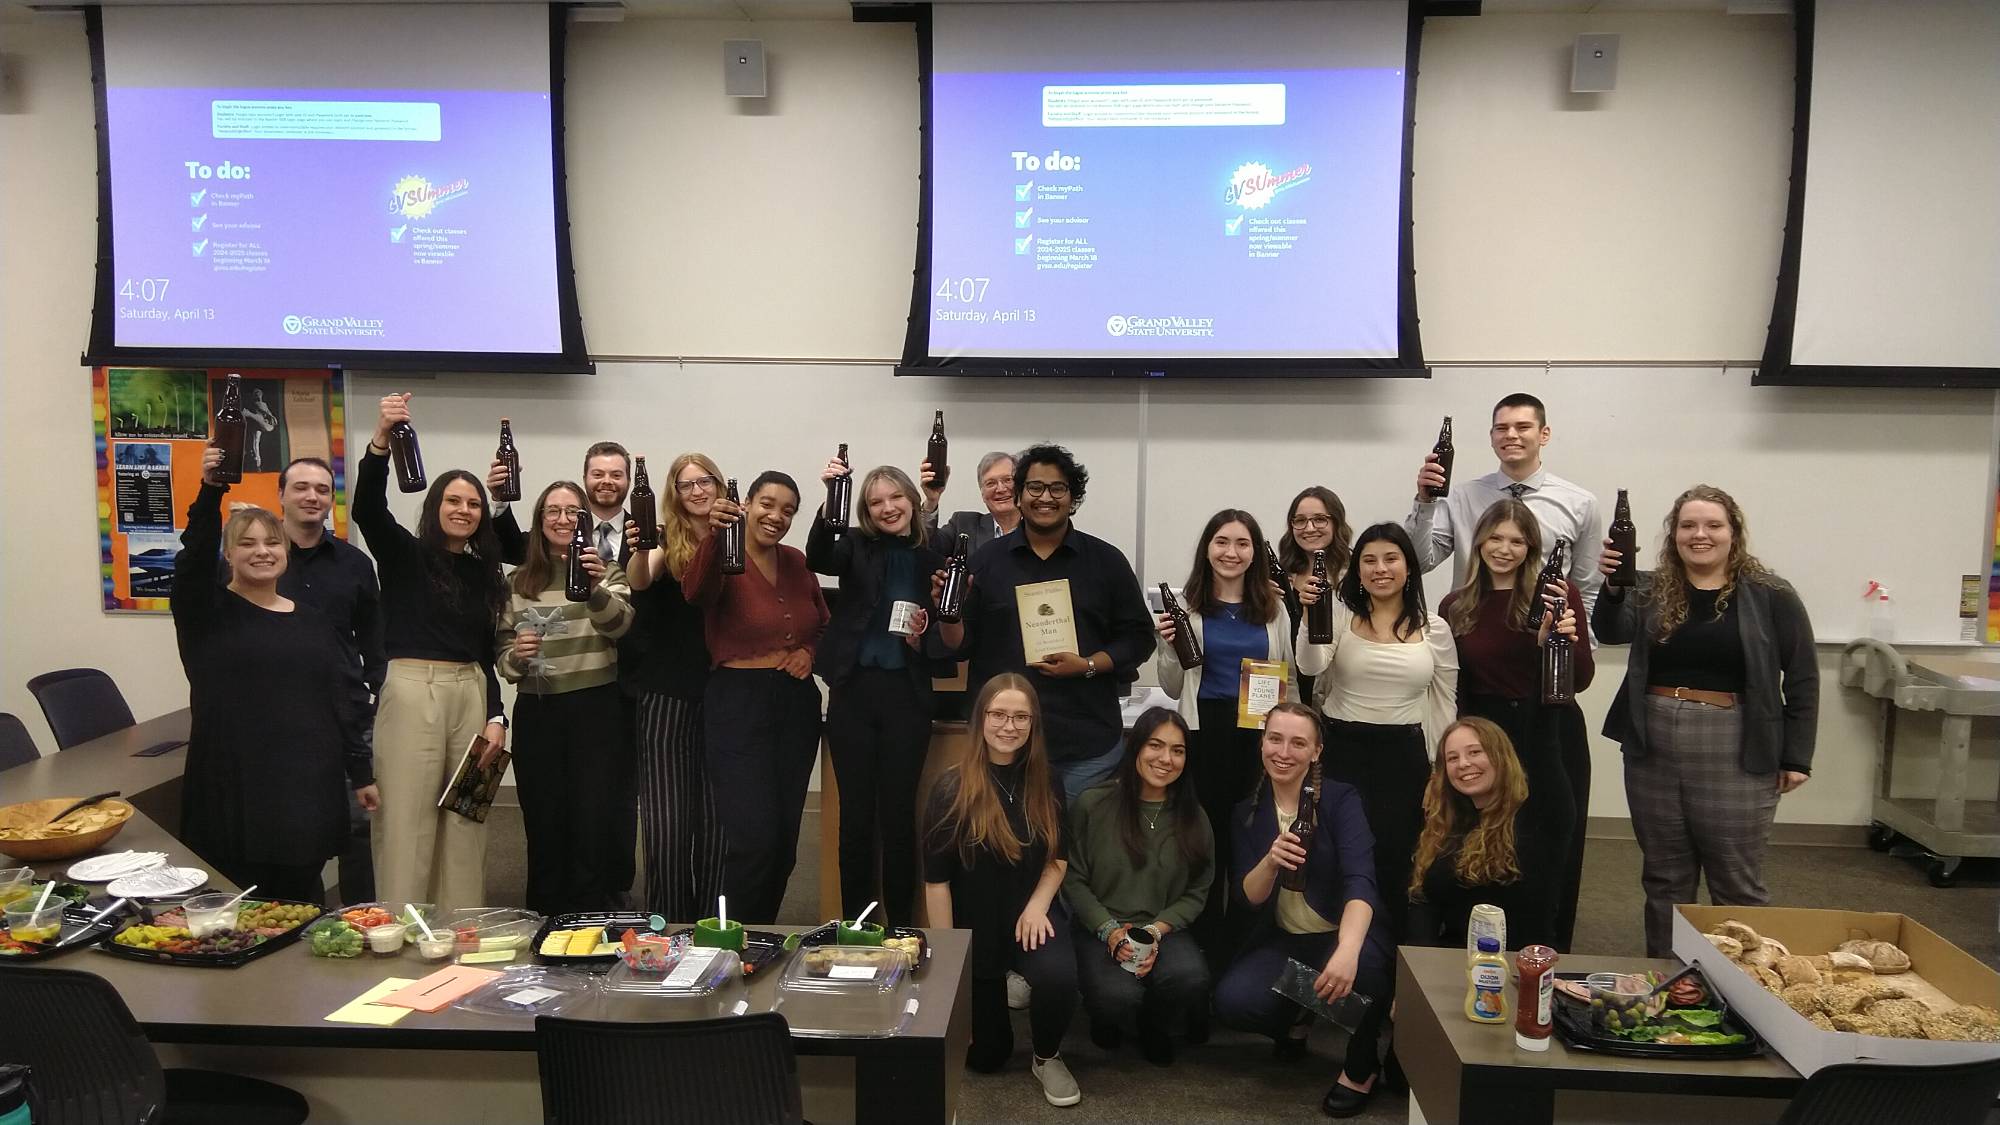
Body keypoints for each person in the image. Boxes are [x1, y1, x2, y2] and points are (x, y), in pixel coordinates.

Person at [1595, 485, 1817, 956]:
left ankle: (1746, 995)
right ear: (1673, 534)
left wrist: (1797, 756)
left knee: (1735, 880)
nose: (1700, 535)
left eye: (1713, 525)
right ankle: (1670, 983)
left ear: (1734, 533)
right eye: (1688, 526)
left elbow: (1802, 676)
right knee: (1663, 877)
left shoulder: (1771, 594)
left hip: (1736, 744)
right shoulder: (1652, 587)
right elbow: (1610, 631)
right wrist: (1614, 588)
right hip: (1651, 742)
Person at [172, 449, 376, 904]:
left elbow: (341, 698)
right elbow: (193, 556)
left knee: (302, 906)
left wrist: (361, 771)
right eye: (247, 543)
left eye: (272, 543)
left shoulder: (313, 621)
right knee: (237, 907)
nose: (262, 551)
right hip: (234, 787)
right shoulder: (207, 613)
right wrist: (211, 491)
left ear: (286, 550)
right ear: (228, 554)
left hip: (304, 786)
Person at [352, 393, 508, 910]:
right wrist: (380, 441)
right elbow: (367, 509)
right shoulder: (404, 556)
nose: (463, 510)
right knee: (407, 822)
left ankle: (459, 933)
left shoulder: (487, 572)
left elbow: (486, 653)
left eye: (473, 504)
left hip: (471, 693)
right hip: (413, 691)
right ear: (434, 506)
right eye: (453, 501)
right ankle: (397, 932)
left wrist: (497, 716)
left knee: (466, 821)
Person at [935, 444, 1155, 800]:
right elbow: (958, 645)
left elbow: (1139, 638)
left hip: (1086, 747)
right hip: (1004, 746)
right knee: (1005, 851)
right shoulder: (985, 562)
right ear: (1019, 496)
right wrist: (951, 614)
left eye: (1057, 488)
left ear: (1073, 497)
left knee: (1078, 855)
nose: (1046, 497)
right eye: (1034, 487)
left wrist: (1086, 665)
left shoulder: (1106, 561)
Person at [1214, 703, 1395, 1119]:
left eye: (1299, 743)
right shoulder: (1247, 812)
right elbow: (1247, 898)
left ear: (1316, 752)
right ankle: (1304, 1009)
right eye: (1275, 738)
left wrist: (1347, 950)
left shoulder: (1340, 799)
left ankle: (1361, 1061)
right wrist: (1270, 861)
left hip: (1343, 932)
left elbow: (1360, 880)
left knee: (1364, 968)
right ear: (1261, 743)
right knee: (1233, 1001)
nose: (1284, 751)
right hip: (1288, 939)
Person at [1438, 498, 1594, 951]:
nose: (1504, 549)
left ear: (1531, 547)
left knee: (1549, 848)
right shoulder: (1456, 604)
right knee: (1484, 842)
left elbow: (1580, 678)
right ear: (1479, 543)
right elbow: (1457, 683)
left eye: (1516, 541)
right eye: (1495, 538)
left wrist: (1556, 643)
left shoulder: (1557, 594)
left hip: (1549, 730)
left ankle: (1546, 957)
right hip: (1484, 735)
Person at [922, 674, 1081, 1106]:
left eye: (1020, 717)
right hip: (977, 928)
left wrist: (1037, 906)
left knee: (1059, 978)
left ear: (1033, 724)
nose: (1008, 726)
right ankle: (1004, 984)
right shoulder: (951, 789)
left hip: (1030, 916)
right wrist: (952, 960)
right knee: (987, 1057)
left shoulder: (1047, 782)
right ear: (981, 719)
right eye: (998, 714)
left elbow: (1058, 858)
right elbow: (936, 883)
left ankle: (1047, 1056)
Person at [1296, 522, 1456, 939]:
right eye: (1369, 560)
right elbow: (1311, 667)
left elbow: (1444, 704)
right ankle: (1333, 954)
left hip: (1404, 758)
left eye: (1391, 558)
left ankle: (1385, 967)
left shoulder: (1434, 628)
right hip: (1343, 750)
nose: (1380, 569)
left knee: (1395, 861)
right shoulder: (1340, 613)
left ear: (1409, 567)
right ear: (1357, 568)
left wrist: (1440, 772)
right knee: (1338, 854)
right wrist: (1311, 612)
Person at [1153, 508, 1296, 968]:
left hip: (1259, 741)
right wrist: (1168, 647)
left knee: (1252, 849)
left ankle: (1244, 956)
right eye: (1221, 542)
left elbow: (1287, 677)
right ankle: (1201, 957)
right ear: (1207, 549)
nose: (1231, 552)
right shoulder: (1187, 609)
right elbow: (1175, 686)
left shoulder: (1274, 610)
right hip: (1205, 735)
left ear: (1256, 552)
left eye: (1242, 543)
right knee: (1206, 849)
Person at [684, 470, 829, 924]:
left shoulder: (795, 560)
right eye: (768, 504)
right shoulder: (724, 552)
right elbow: (696, 593)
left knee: (785, 840)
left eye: (788, 510)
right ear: (746, 503)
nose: (777, 516)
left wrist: (808, 651)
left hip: (795, 704)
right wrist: (713, 536)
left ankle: (760, 937)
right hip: (737, 704)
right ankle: (724, 941)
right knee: (754, 839)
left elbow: (822, 622)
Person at [808, 459, 948, 925]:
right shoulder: (854, 545)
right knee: (856, 820)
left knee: (898, 816)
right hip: (854, 691)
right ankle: (858, 924)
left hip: (907, 694)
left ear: (911, 500)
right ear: (865, 511)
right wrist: (832, 497)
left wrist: (923, 637)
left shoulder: (935, 553)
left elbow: (947, 627)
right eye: (875, 502)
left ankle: (902, 926)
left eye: (895, 497)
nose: (888, 508)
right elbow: (818, 559)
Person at [496, 481, 636, 916]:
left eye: (572, 512)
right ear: (539, 523)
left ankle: (590, 919)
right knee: (543, 820)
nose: (562, 519)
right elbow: (500, 656)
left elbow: (621, 628)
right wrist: (516, 657)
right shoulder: (516, 581)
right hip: (539, 711)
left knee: (593, 819)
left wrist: (594, 587)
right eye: (552, 511)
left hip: (596, 709)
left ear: (585, 523)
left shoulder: (607, 572)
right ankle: (544, 917)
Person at [1062, 707, 1214, 1066]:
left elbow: (1198, 890)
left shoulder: (1194, 815)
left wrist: (1156, 931)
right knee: (1115, 997)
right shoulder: (1093, 803)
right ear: (1135, 749)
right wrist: (1110, 931)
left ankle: (1154, 1023)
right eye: (1155, 746)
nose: (1166, 759)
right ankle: (1108, 1014)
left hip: (1162, 928)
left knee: (1191, 977)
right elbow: (1073, 877)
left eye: (1177, 750)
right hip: (1099, 926)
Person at [273, 456, 384, 905]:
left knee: (361, 830)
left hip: (348, 712)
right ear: (280, 495)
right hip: (280, 720)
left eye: (321, 489)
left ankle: (363, 921)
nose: (312, 496)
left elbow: (374, 642)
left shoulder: (354, 564)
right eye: (301, 487)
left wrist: (383, 699)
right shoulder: (259, 559)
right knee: (296, 837)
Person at [623, 453, 726, 921]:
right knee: (666, 820)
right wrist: (641, 547)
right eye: (687, 486)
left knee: (716, 821)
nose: (698, 491)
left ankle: (712, 923)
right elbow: (639, 579)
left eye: (705, 481)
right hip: (666, 692)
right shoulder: (665, 538)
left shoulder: (735, 537)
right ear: (675, 495)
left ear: (720, 484)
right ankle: (667, 925)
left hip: (723, 691)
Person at [1405, 393, 1605, 617]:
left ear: (1544, 434)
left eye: (1522, 427)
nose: (1511, 435)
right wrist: (1425, 501)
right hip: (1471, 630)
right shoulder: (1461, 497)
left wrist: (1580, 646)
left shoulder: (1580, 503)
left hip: (1541, 633)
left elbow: (1587, 589)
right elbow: (1418, 563)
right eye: (1501, 428)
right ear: (1491, 437)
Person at [1406, 717, 1573, 952]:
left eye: (1475, 752)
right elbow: (1426, 903)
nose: (1463, 764)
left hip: (1519, 965)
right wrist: (1420, 962)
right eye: (1452, 758)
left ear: (1500, 756)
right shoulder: (1449, 824)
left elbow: (1547, 747)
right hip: (1454, 964)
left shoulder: (1538, 817)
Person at [492, 440, 633, 568]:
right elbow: (508, 549)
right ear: (585, 479)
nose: (607, 481)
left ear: (629, 481)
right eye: (598, 474)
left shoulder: (643, 533)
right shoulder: (560, 530)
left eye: (616, 475)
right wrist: (499, 499)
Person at [922, 449, 1020, 555]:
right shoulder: (963, 524)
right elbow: (927, 547)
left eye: (1008, 480)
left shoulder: (1037, 528)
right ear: (982, 492)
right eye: (991, 483)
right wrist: (931, 501)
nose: (1000, 489)